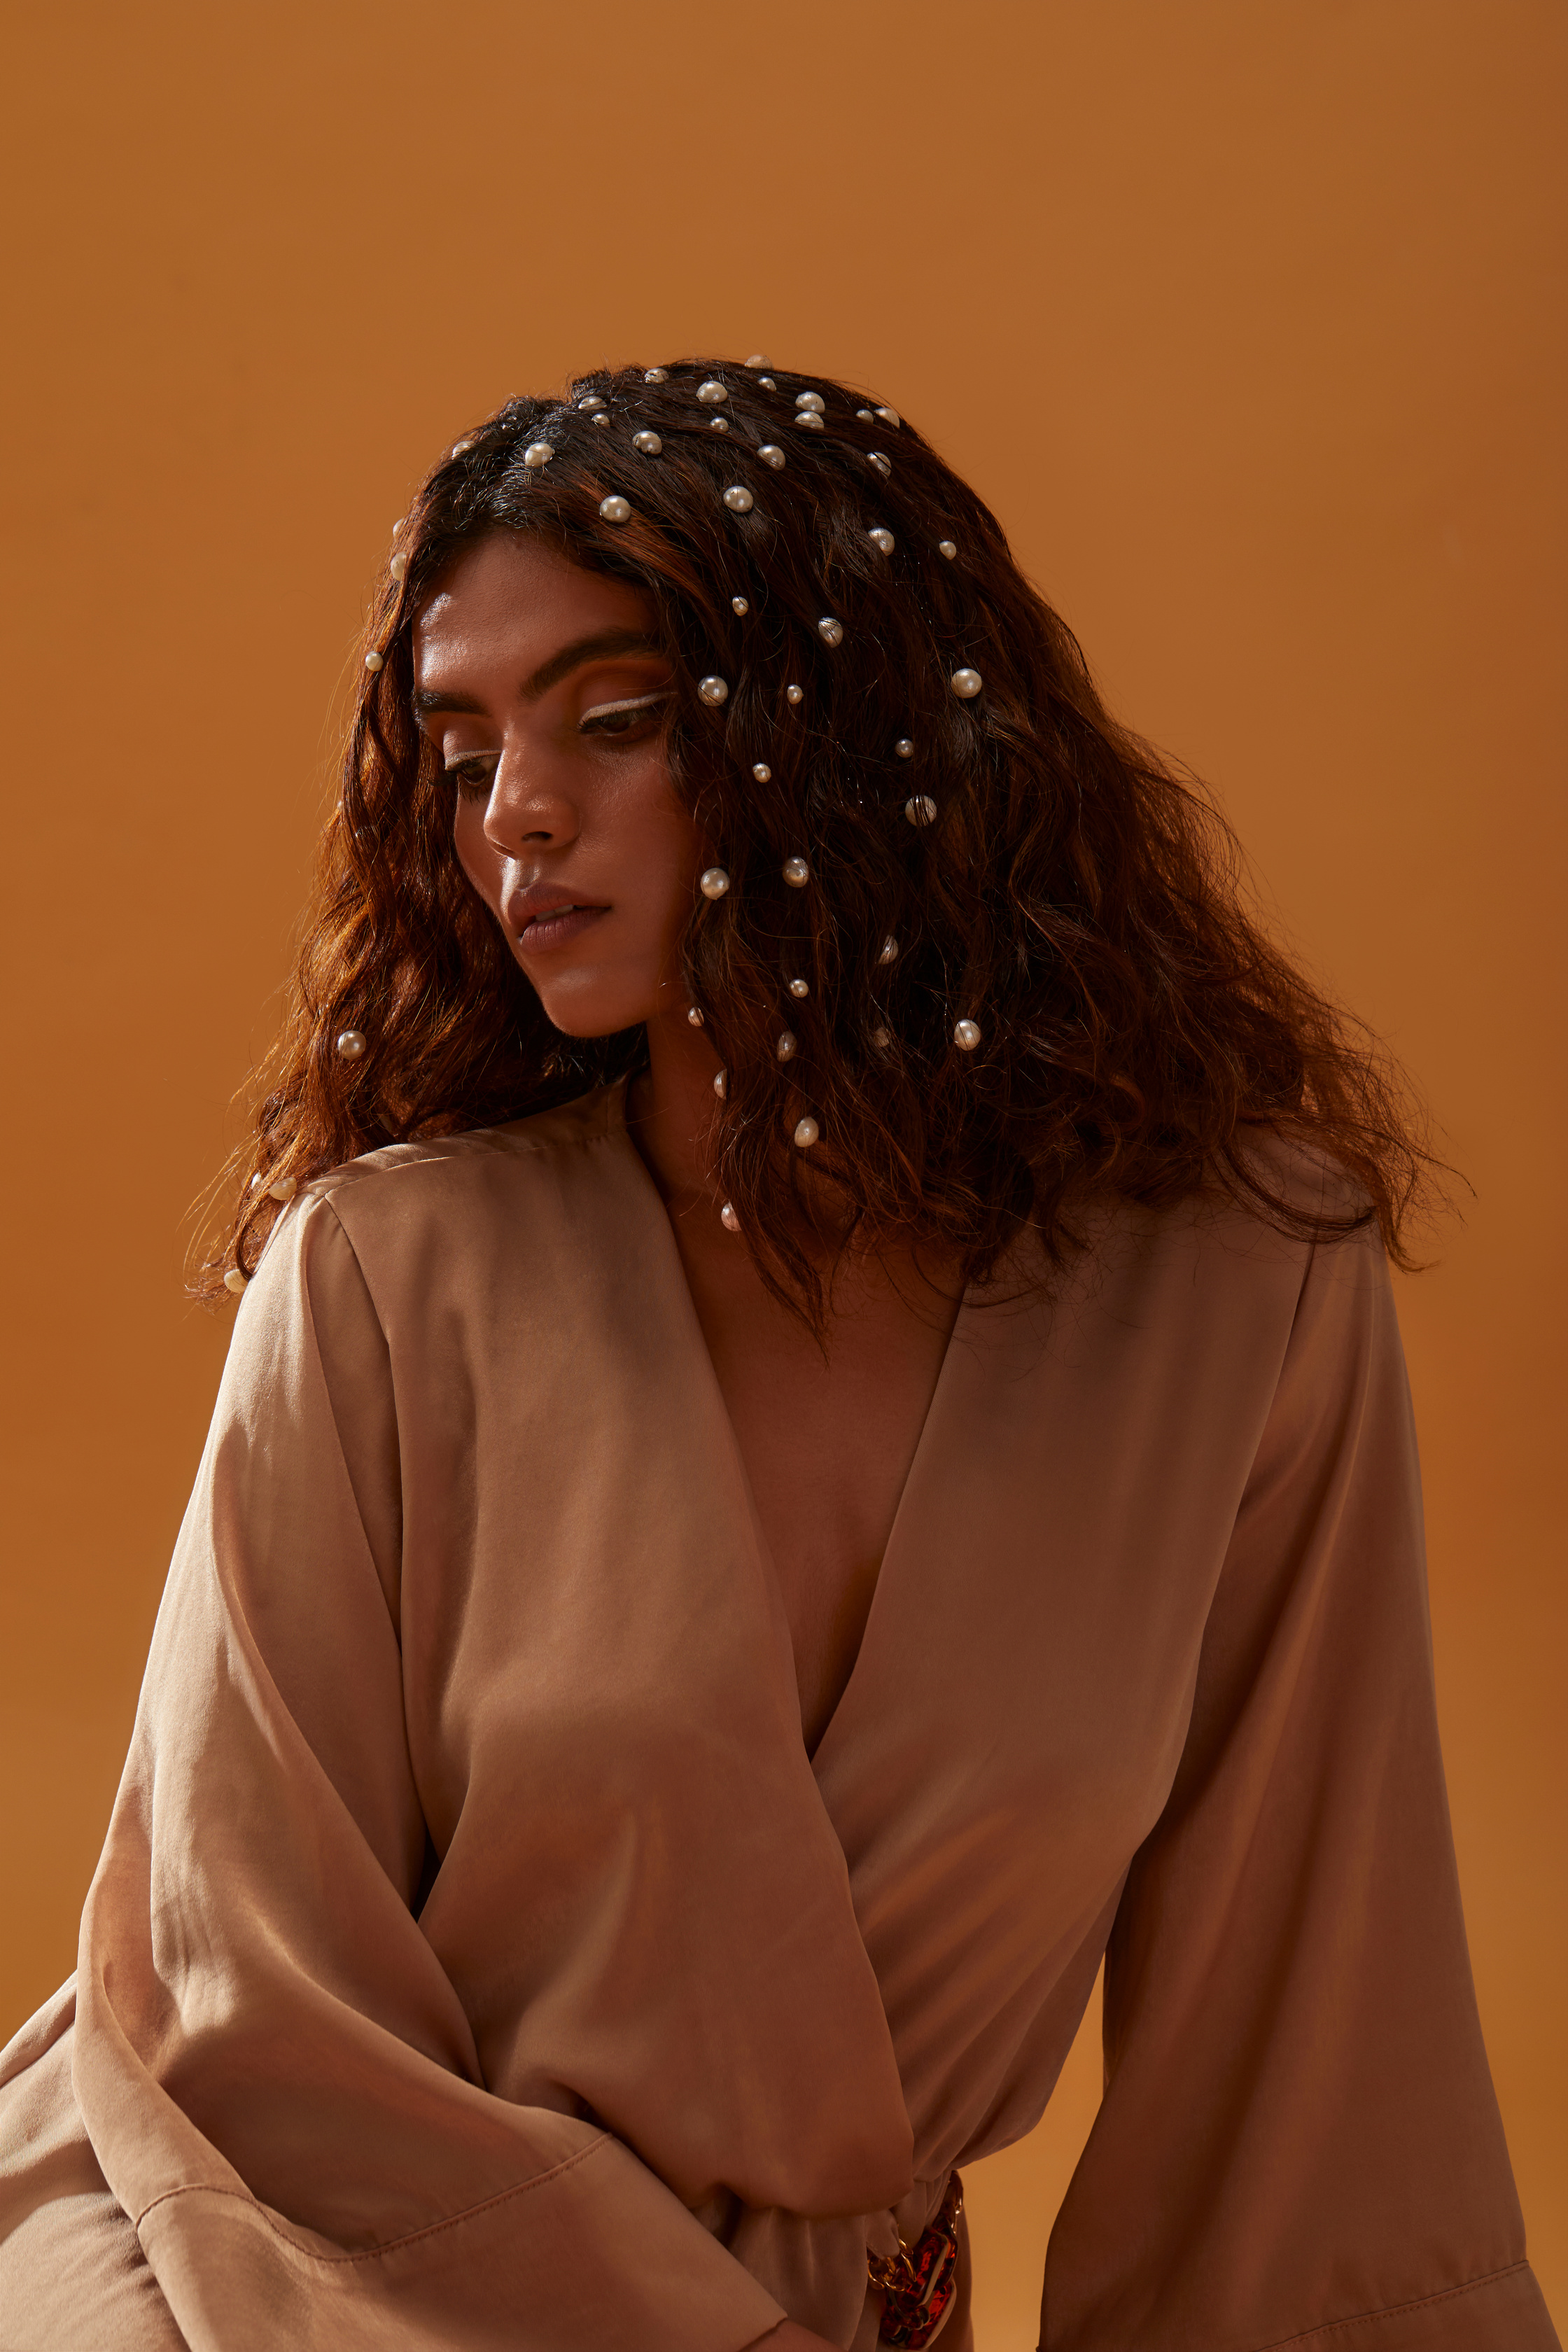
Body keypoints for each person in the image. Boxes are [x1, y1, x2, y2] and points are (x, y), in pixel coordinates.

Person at [0, 357, 1555, 2352]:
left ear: (870, 744)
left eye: (618, 721)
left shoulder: (1237, 1296)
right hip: (264, 2272)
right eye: (462, 752)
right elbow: (244, 2012)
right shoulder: (386, 1280)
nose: (515, 820)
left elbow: (1314, 2076)